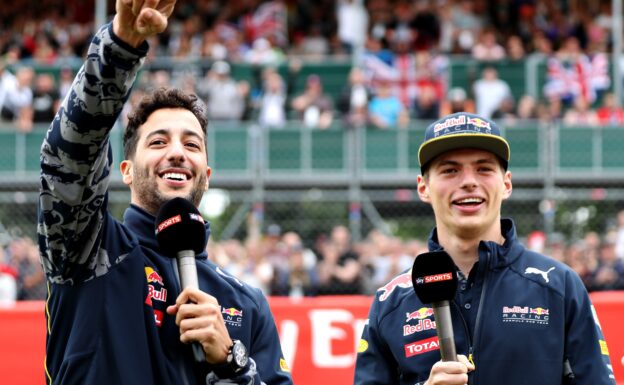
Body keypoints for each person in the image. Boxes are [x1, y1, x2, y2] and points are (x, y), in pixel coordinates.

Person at [37, 1, 293, 384]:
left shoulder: (247, 302)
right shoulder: (89, 248)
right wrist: (119, 49)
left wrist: (230, 362)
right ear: (125, 171)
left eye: (192, 145)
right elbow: (68, 158)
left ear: (205, 173)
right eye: (158, 142)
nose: (177, 151)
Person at [353, 112, 616, 385]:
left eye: (484, 168)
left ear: (506, 184)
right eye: (450, 170)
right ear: (424, 188)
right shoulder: (391, 302)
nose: (468, 181)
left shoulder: (559, 285)